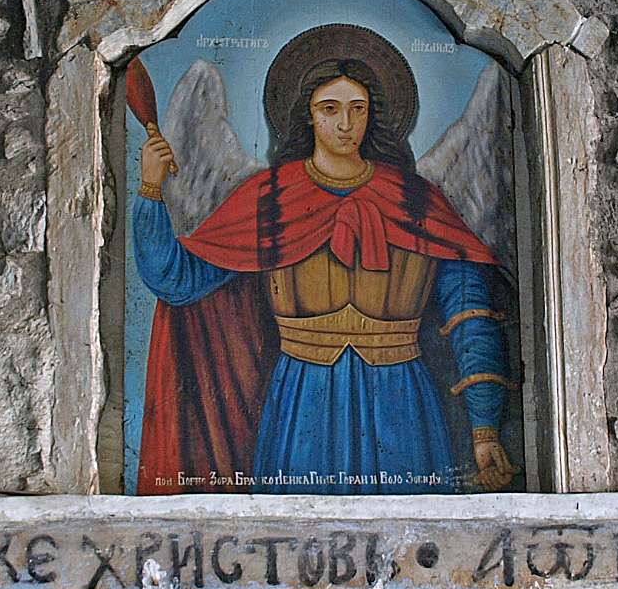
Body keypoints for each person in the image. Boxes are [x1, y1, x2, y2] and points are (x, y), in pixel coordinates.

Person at [132, 37, 516, 495]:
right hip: (302, 400)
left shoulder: (416, 201)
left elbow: (470, 314)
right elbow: (175, 279)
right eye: (330, 109)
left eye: (358, 109)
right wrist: (151, 188)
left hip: (401, 401)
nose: (345, 124)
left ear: (374, 115)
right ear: (308, 116)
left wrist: (484, 429)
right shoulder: (270, 200)